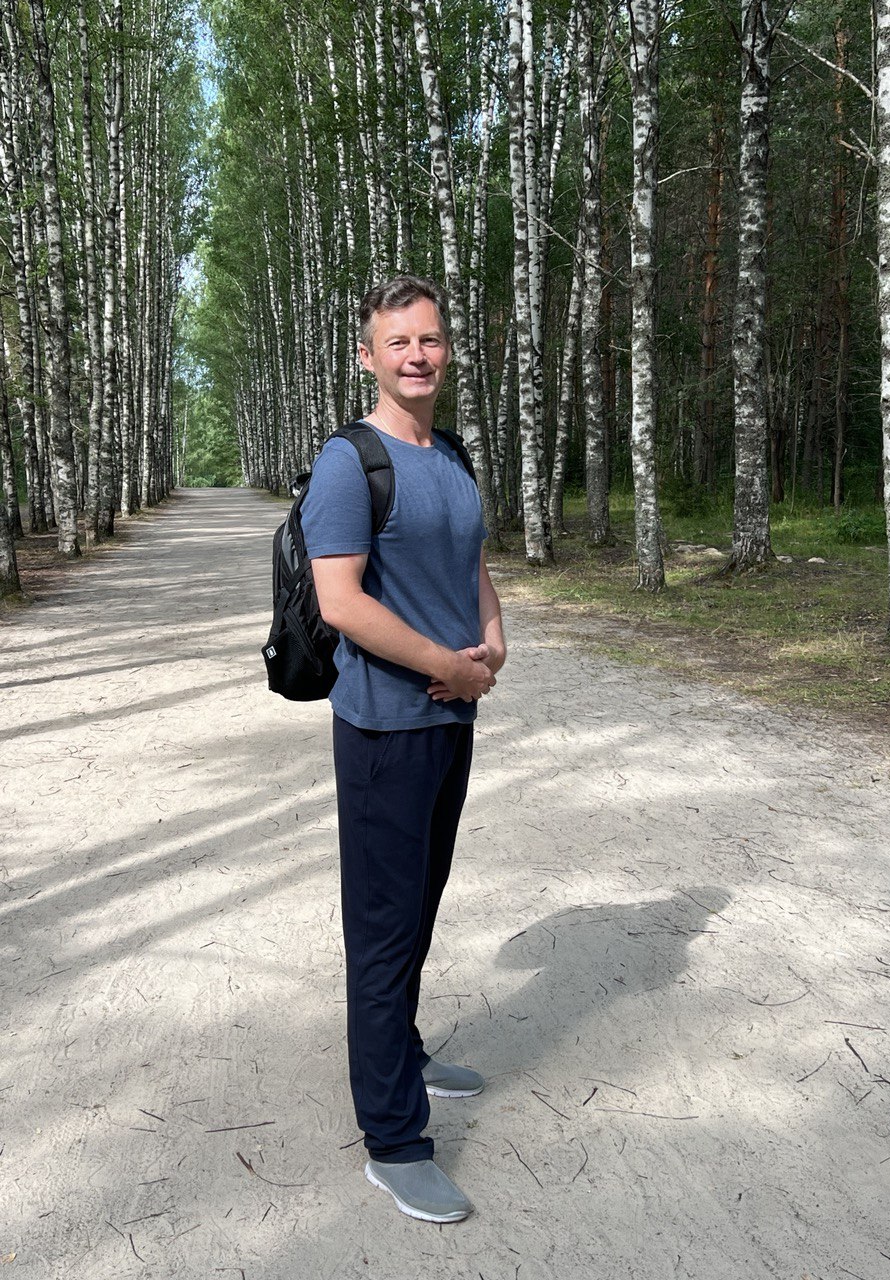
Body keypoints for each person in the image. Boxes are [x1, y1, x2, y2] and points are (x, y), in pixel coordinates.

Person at [300, 275, 506, 1223]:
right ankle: (394, 1140)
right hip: (386, 728)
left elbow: (471, 562)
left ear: (445, 349)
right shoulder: (351, 462)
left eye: (430, 339)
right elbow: (340, 601)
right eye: (398, 342)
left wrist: (492, 642)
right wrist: (447, 666)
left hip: (450, 720)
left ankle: (407, 1055)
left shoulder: (450, 453)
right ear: (368, 356)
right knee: (383, 930)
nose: (417, 356)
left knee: (420, 904)